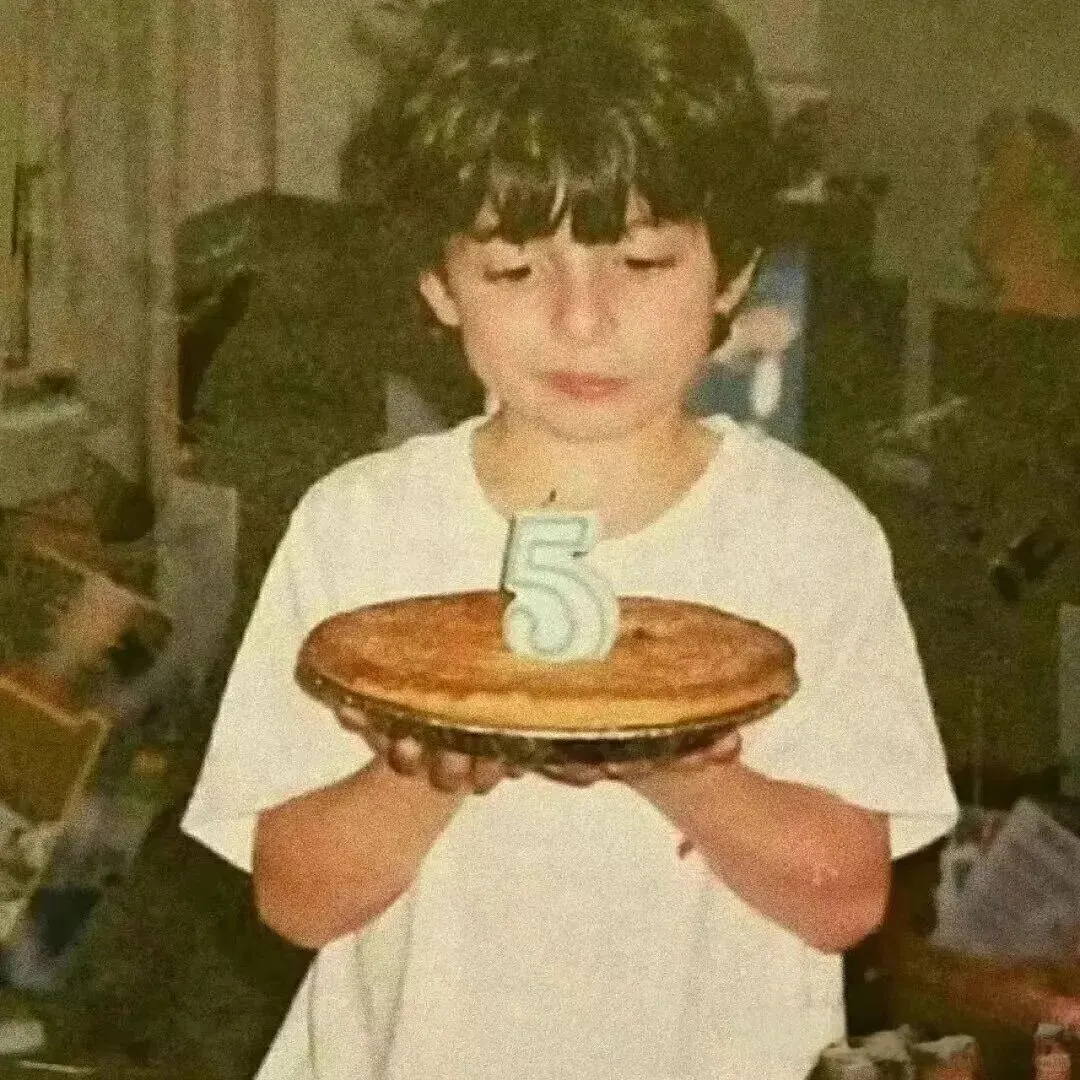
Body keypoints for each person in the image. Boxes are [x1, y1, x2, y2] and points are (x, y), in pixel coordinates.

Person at [181, 1, 959, 1076]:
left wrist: (679, 763)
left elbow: (846, 899)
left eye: (641, 262)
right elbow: (294, 899)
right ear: (438, 282)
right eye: (514, 270)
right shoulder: (360, 529)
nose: (582, 320)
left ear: (731, 272)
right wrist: (431, 767)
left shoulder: (808, 537)